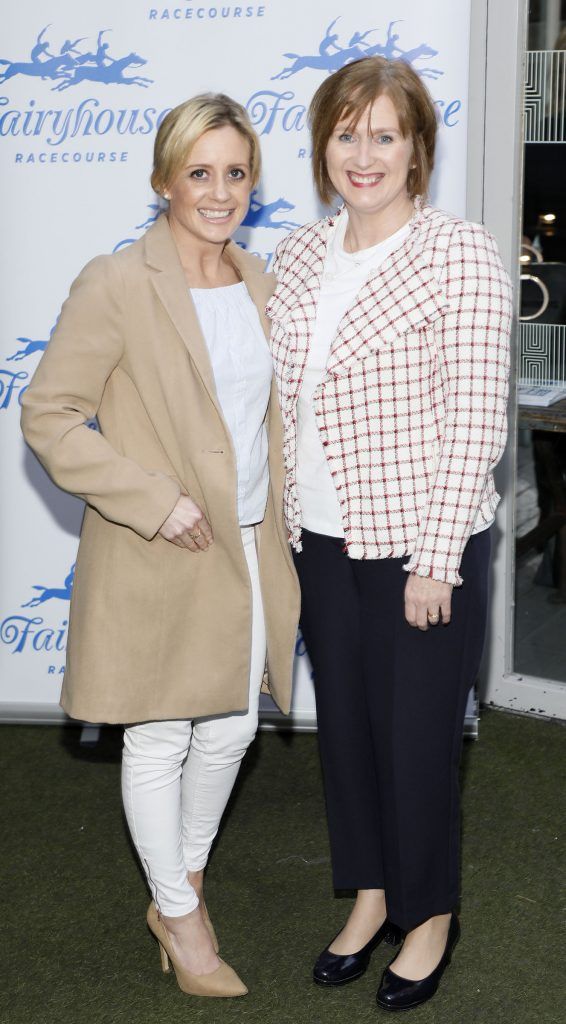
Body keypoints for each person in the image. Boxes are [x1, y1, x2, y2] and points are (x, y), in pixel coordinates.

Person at [21, 93, 299, 999]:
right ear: (163, 180)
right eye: (199, 173)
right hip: (162, 543)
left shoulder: (264, 281)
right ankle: (180, 916)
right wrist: (153, 500)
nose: (218, 191)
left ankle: (182, 878)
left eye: (235, 172)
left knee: (229, 726)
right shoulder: (117, 281)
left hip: (249, 542)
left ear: (252, 181)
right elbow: (50, 415)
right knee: (160, 732)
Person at [267, 56, 512, 1011]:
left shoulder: (459, 252)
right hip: (319, 540)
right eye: (344, 133)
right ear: (322, 144)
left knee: (416, 741)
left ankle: (430, 915)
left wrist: (436, 555)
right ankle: (370, 896)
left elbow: (475, 420)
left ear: (417, 148)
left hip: (420, 545)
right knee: (350, 737)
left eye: (383, 135)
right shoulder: (297, 253)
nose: (361, 154)